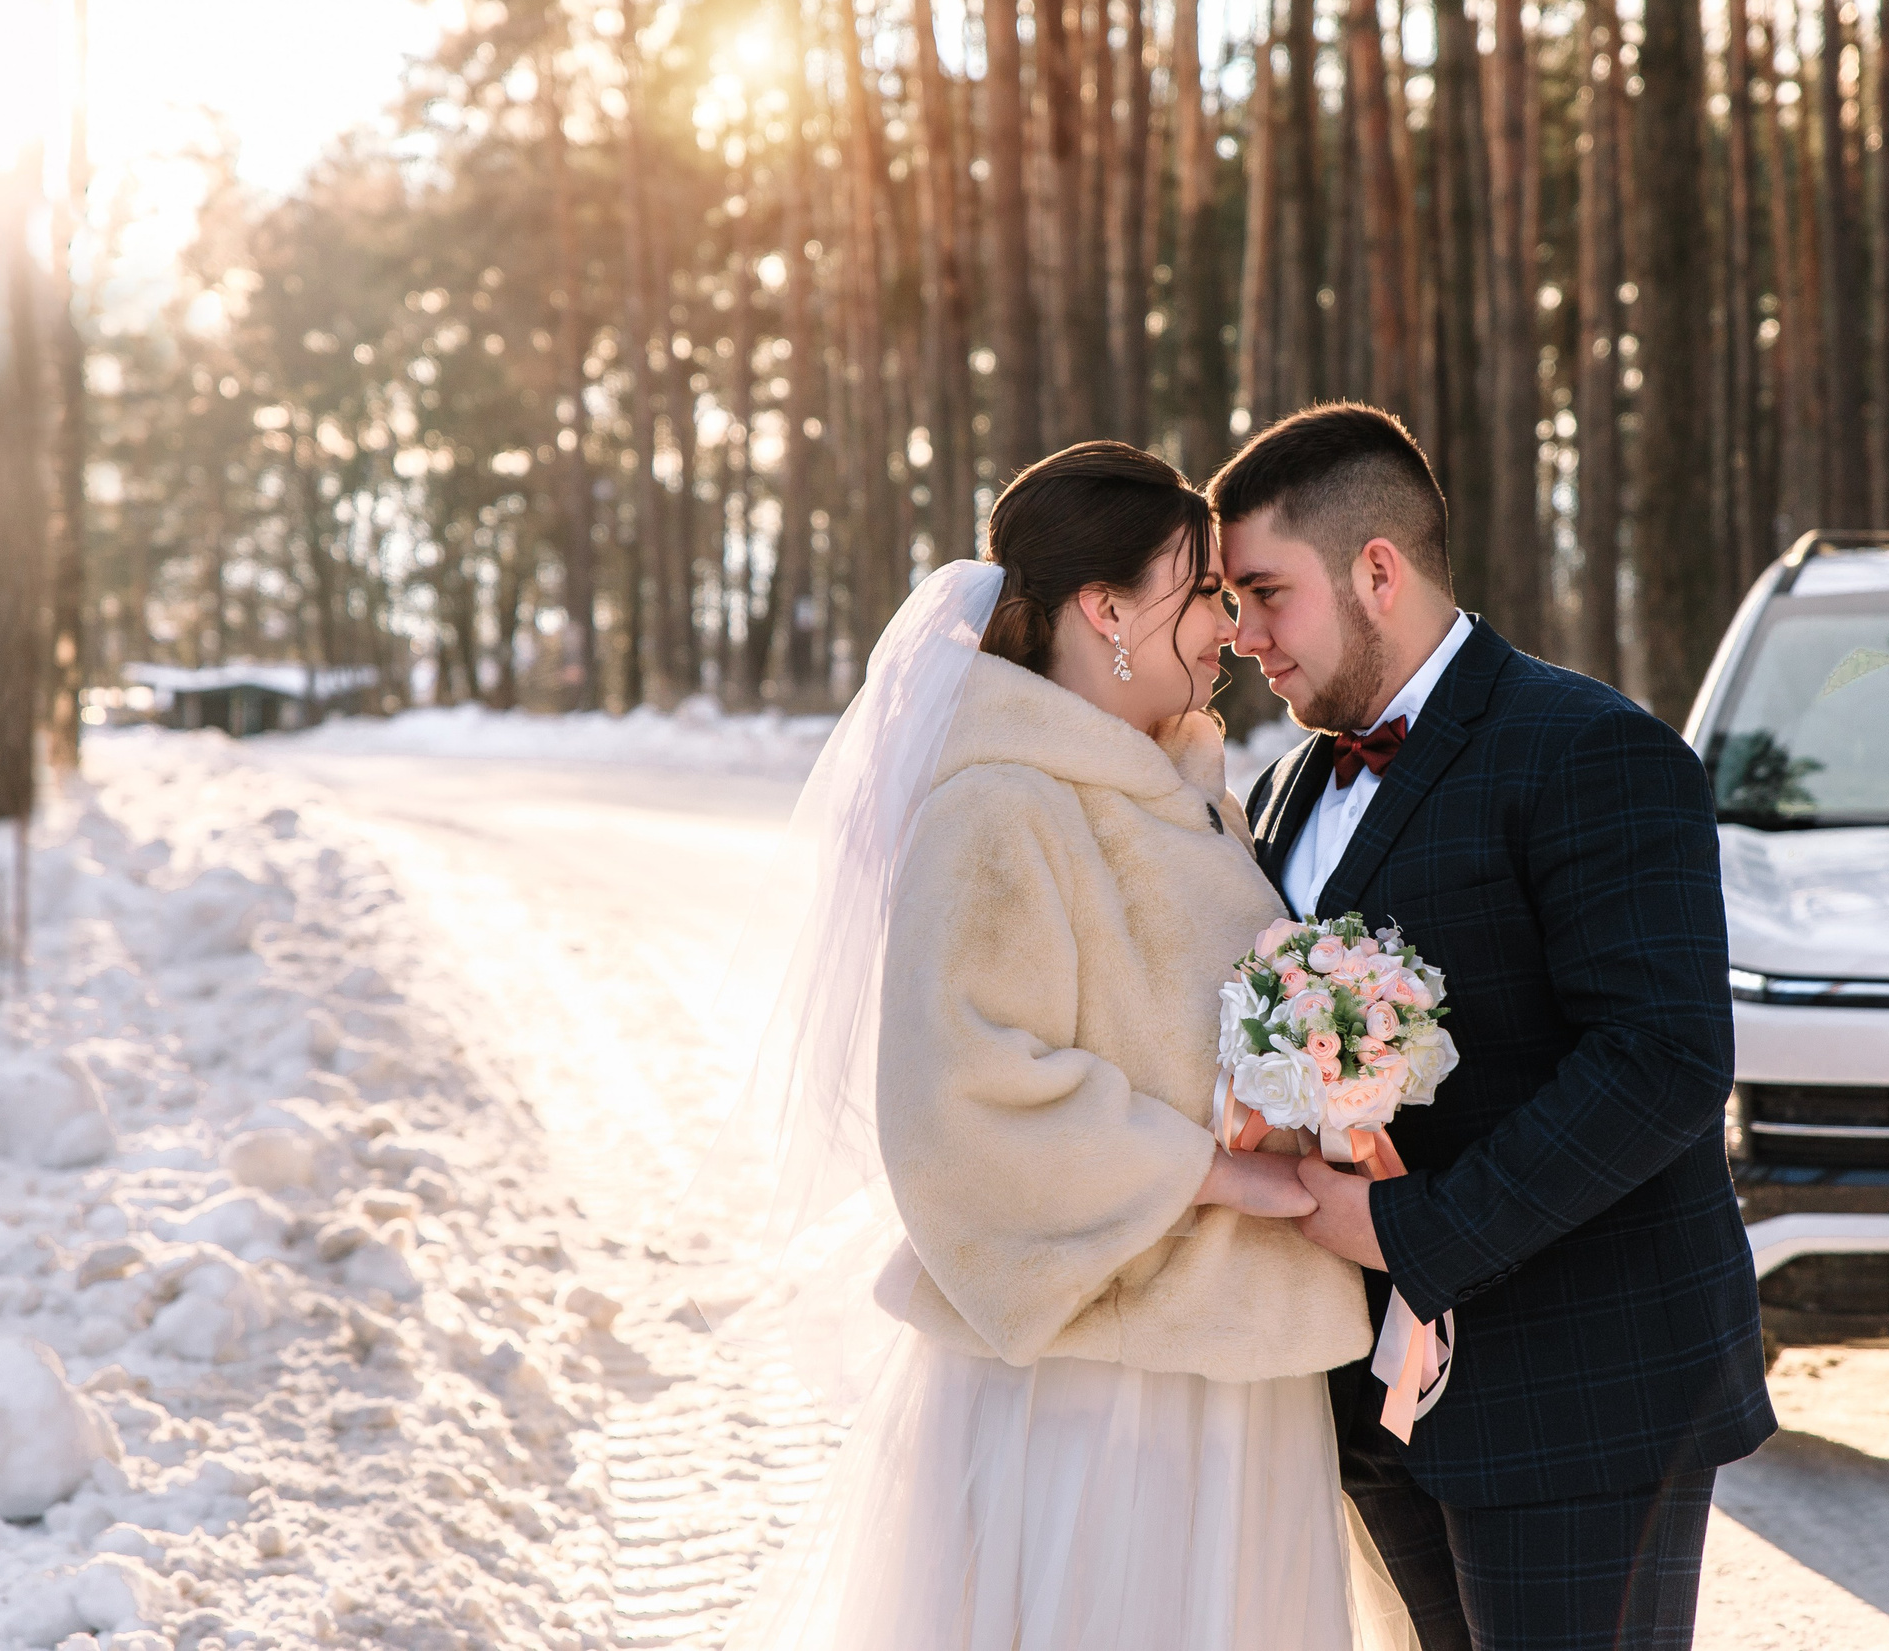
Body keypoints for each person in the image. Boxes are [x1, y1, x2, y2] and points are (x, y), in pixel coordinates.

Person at [720, 440, 1399, 1651]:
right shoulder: (1000, 800)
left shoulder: (1187, 794)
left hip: (1232, 1372)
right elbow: (962, 1098)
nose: (1229, 629)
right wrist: (1213, 1173)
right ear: (1106, 610)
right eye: (1202, 593)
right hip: (1109, 1397)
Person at [1210, 403, 1776, 1651]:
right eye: (1231, 603)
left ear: (1376, 571)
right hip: (1370, 1401)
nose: (1242, 637)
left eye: (1265, 594)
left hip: (1580, 1393)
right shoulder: (1285, 786)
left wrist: (1411, 1231)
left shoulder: (1593, 750)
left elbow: (1663, 1060)